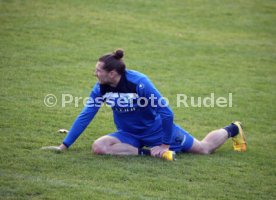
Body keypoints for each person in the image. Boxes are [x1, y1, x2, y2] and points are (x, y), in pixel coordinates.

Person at [42, 49, 247, 160]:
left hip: (156, 131)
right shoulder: (101, 88)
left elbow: (166, 113)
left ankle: (233, 129)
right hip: (129, 134)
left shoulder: (139, 83)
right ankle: (150, 154)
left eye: (98, 70)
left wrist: (164, 143)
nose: (95, 73)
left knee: (204, 149)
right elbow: (86, 115)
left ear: (112, 73)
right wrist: (64, 146)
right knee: (99, 147)